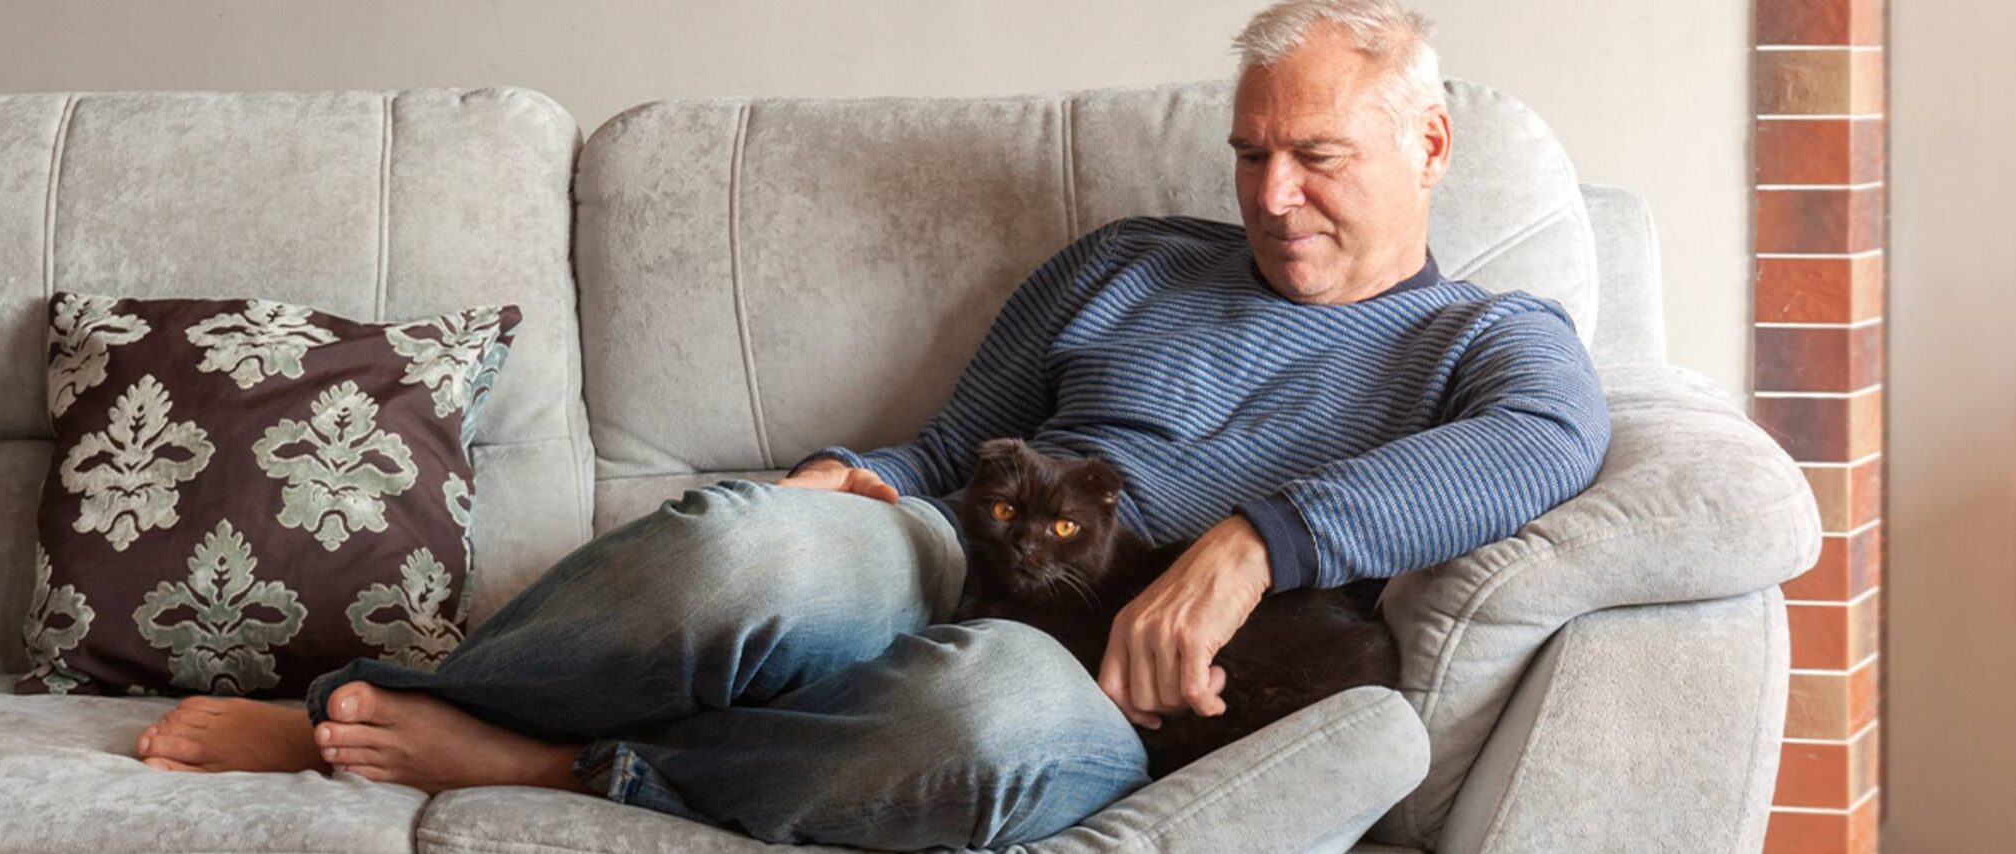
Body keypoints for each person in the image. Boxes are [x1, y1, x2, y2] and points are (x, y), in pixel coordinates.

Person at [131, 0, 1610, 848]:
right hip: (959, 547)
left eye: (1318, 157)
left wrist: (1244, 543)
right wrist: (857, 479)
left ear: (1428, 146)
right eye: (1251, 153)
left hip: (1104, 664)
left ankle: (547, 772)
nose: (1272, 194)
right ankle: (379, 702)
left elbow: (1546, 444)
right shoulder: (1122, 261)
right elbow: (952, 438)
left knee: (984, 731)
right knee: (750, 546)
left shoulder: (1481, 336)